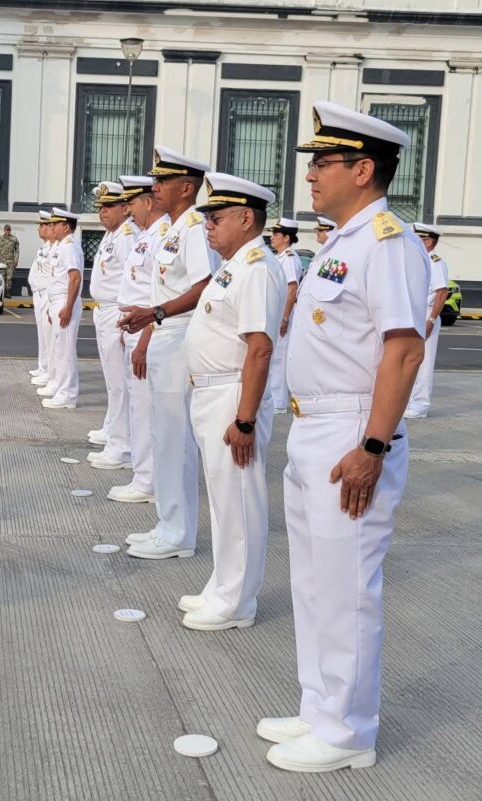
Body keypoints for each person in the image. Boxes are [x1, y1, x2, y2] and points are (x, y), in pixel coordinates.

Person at [258, 101, 427, 773]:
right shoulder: (340, 241)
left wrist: (374, 447)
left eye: (322, 163)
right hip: (313, 426)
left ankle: (350, 730)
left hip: (354, 431)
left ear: (362, 169)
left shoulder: (386, 240)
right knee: (313, 582)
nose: (310, 176)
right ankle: (319, 706)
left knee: (348, 585)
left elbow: (404, 352)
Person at [175, 173, 286, 628]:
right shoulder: (234, 265)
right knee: (222, 499)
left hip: (233, 395)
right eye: (206, 219)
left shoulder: (257, 268)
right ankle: (223, 583)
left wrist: (244, 421)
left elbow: (259, 347)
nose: (208, 227)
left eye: (217, 218)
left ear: (246, 218)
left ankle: (238, 601)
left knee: (239, 499)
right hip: (213, 392)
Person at [118, 147, 216, 557]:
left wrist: (155, 313)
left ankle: (179, 535)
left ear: (186, 187)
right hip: (163, 334)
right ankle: (167, 523)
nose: (154, 187)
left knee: (176, 441)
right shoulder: (172, 229)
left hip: (178, 336)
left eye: (163, 181)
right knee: (162, 435)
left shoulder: (194, 227)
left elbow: (203, 285)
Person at [108, 175, 168, 504]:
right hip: (136, 330)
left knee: (146, 410)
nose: (127, 208)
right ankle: (143, 475)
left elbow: (158, 297)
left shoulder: (162, 237)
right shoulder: (146, 236)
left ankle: (148, 480)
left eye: (132, 202)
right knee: (138, 406)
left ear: (148, 201)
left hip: (150, 334)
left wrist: (143, 341)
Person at [87, 182, 136, 466]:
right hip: (104, 310)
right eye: (101, 208)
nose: (102, 212)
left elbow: (134, 281)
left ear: (125, 207)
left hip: (117, 312)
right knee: (112, 379)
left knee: (120, 382)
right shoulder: (112, 235)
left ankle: (122, 446)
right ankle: (113, 430)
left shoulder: (127, 235)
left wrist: (123, 317)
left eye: (108, 207)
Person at [405, 223, 449, 419]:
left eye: (420, 238)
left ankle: (421, 404)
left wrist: (431, 319)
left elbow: (441, 293)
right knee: (409, 359)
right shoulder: (418, 260)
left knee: (424, 361)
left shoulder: (436, 263)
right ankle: (410, 400)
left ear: (429, 242)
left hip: (426, 315)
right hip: (413, 314)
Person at [40, 209, 84, 409]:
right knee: (59, 349)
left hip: (66, 302)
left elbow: (75, 278)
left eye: (56, 224)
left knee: (65, 351)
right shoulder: (62, 246)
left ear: (66, 226)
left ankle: (67, 394)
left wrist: (68, 307)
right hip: (58, 301)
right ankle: (60, 388)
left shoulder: (68, 246)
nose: (52, 228)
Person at [267, 218, 303, 414]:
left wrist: (285, 317)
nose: (272, 238)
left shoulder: (289, 258)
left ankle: (279, 402)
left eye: (276, 234)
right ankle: (275, 398)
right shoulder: (280, 257)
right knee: (274, 355)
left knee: (280, 357)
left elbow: (292, 288)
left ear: (286, 238)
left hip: (284, 312)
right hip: (278, 310)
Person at [29, 211, 54, 388]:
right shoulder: (44, 248)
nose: (39, 229)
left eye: (42, 226)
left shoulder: (56, 248)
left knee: (49, 335)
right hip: (38, 293)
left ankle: (49, 372)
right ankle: (42, 366)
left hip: (47, 294)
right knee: (42, 334)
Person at [0, 223, 20, 298]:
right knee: (2, 277)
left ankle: (8, 292)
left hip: (10, 262)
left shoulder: (14, 239)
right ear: (4, 230)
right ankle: (1, 292)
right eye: (7, 229)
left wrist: (16, 260)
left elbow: (17, 251)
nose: (8, 231)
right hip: (1, 261)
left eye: (9, 230)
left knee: (9, 277)